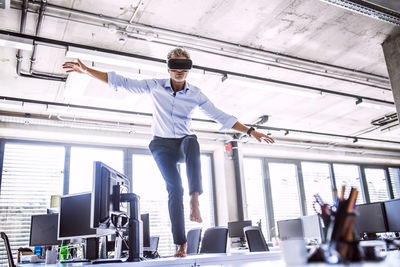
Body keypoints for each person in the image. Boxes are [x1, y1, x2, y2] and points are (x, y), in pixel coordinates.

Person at [63, 48, 274, 257]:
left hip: (183, 143)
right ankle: (180, 245)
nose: (179, 71)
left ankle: (194, 199)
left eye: (184, 66)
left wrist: (251, 131)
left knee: (193, 141)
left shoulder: (195, 94)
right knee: (174, 189)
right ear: (168, 68)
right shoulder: (155, 86)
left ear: (189, 69)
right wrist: (87, 71)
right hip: (162, 146)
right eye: (175, 66)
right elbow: (122, 82)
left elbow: (221, 116)